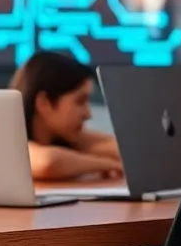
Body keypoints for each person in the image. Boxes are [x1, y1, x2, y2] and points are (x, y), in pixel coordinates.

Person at [10, 50, 123, 180]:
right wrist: (109, 164)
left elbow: (124, 150)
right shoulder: (7, 141)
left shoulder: (67, 137)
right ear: (44, 103)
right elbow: (48, 163)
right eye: (80, 101)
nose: (88, 114)